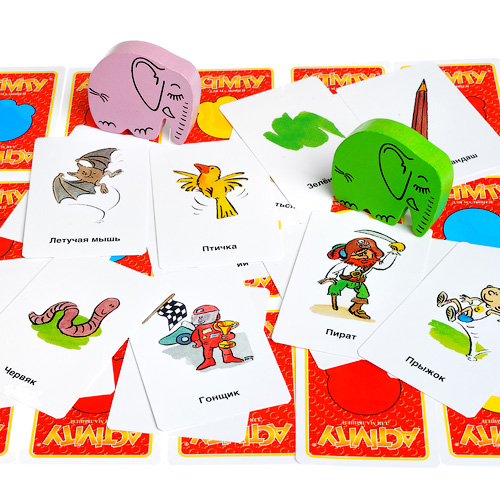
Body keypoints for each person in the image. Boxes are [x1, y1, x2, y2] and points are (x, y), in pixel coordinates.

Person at [318, 237, 404, 320]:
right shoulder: (348, 263)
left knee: (364, 294)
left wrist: (393, 252)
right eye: (358, 254)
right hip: (345, 280)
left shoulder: (372, 263)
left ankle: (355, 308)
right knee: (335, 287)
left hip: (359, 282)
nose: (363, 256)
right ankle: (334, 304)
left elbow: (383, 265)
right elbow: (335, 270)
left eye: (366, 253)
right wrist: (330, 278)